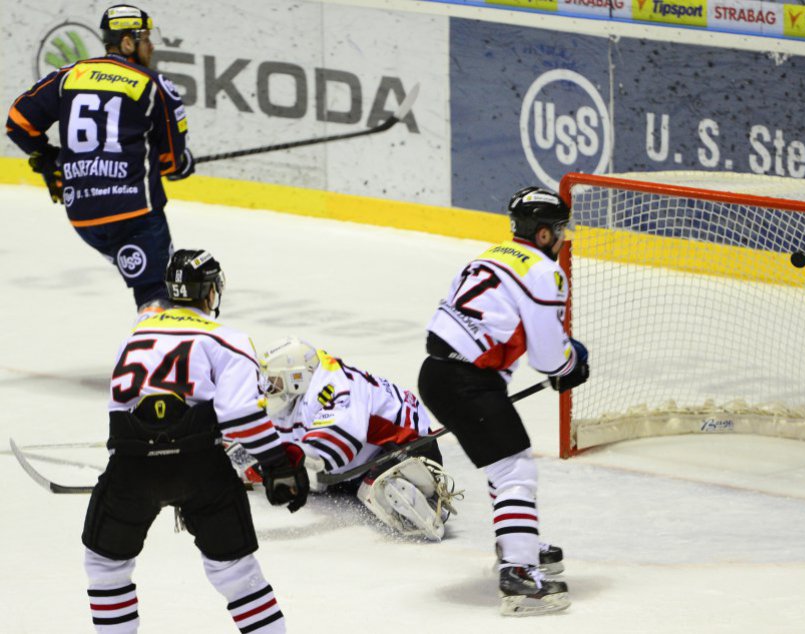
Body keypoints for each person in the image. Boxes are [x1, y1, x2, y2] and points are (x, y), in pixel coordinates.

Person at [81, 249, 309, 633]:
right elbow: (241, 417)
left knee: (106, 567)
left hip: (132, 468)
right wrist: (277, 465)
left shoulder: (134, 337)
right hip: (201, 468)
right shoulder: (229, 341)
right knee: (237, 574)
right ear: (210, 292)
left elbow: (119, 411)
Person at [417, 186, 590, 616]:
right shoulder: (544, 272)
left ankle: (520, 542)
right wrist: (571, 366)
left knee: (503, 463)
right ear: (545, 234)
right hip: (468, 379)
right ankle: (518, 574)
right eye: (560, 231)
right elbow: (550, 357)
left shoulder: (489, 256)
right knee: (515, 468)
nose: (563, 238)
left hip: (439, 372)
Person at [5, 4, 194, 314]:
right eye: (145, 37)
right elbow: (171, 163)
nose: (151, 44)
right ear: (128, 42)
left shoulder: (69, 75)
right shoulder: (154, 85)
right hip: (133, 212)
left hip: (83, 214)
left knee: (151, 284)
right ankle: (153, 356)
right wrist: (184, 163)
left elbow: (18, 122)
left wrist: (48, 159)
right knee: (160, 291)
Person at [227, 336, 461, 541]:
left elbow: (341, 441)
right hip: (360, 461)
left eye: (274, 382)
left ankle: (428, 504)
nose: (267, 389)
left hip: (406, 446)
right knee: (303, 476)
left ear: (295, 377)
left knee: (384, 489)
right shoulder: (299, 391)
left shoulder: (337, 386)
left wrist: (284, 459)